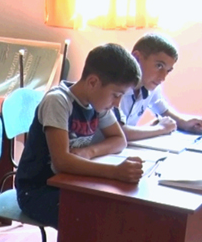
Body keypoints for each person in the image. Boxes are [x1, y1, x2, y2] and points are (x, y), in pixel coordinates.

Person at [16, 43, 144, 229]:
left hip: (70, 183)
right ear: (93, 82)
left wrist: (89, 151)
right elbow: (62, 162)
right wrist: (115, 172)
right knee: (98, 215)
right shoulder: (58, 101)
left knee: (119, 206)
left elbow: (119, 140)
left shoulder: (96, 102)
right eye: (116, 95)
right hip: (37, 191)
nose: (117, 104)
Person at [107, 33, 202, 141]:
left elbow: (163, 110)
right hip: (98, 152)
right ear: (136, 58)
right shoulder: (116, 87)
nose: (163, 77)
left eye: (168, 71)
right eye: (159, 66)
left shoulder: (150, 85)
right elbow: (118, 132)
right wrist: (160, 128)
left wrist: (184, 123)